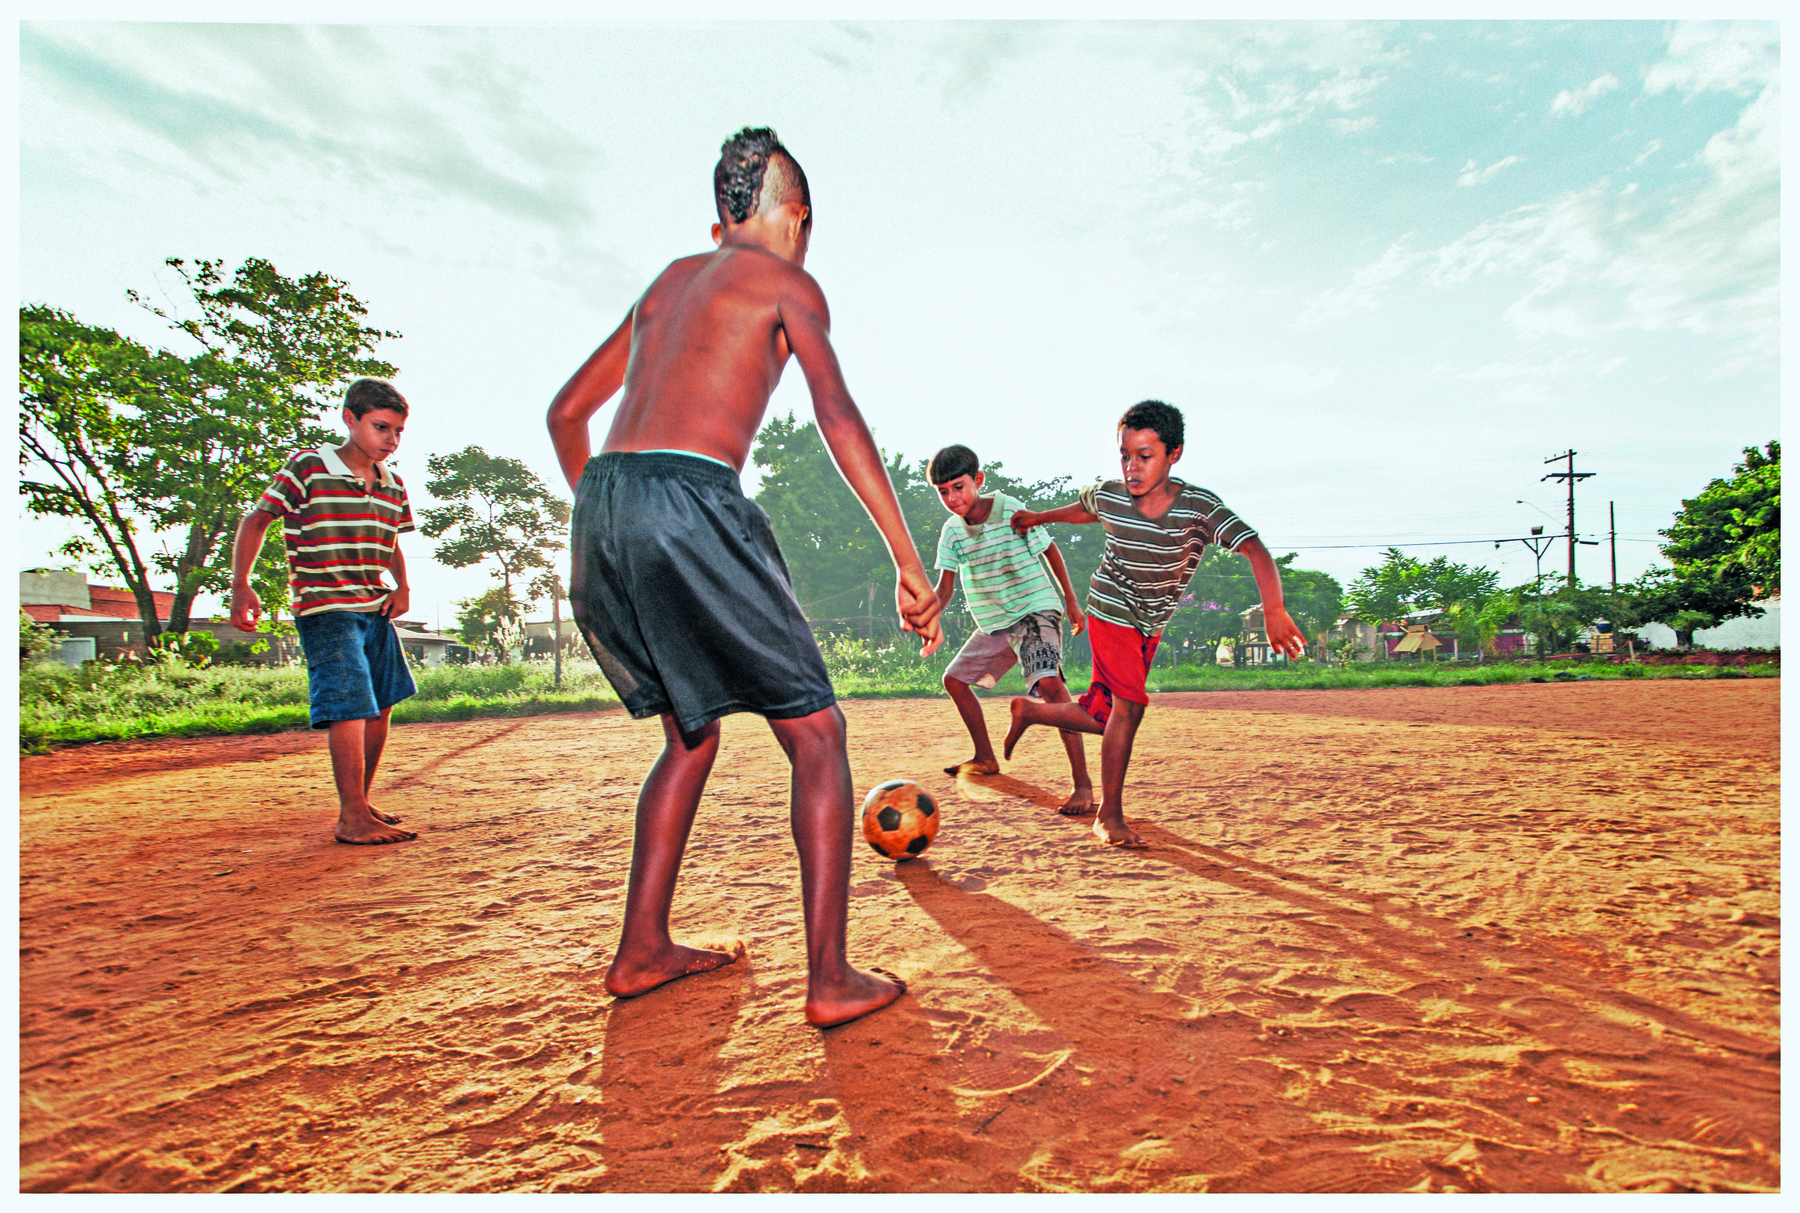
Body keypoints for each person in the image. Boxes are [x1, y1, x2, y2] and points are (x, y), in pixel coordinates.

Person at [545, 127, 944, 1029]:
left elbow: (566, 412)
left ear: (722, 214)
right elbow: (837, 414)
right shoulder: (788, 282)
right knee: (817, 730)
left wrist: (617, 516)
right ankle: (831, 977)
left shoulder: (668, 283)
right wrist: (907, 559)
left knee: (691, 735)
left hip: (605, 499)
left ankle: (641, 947)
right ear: (794, 218)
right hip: (689, 495)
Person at [1003, 400, 1305, 847]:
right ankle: (1109, 815)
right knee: (1129, 707)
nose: (1132, 467)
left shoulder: (1199, 508)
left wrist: (1274, 610)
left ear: (1174, 454)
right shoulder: (1111, 493)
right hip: (1109, 605)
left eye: (1145, 456)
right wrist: (1038, 517)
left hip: (1151, 621)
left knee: (1106, 716)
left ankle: (1030, 711)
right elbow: (1087, 508)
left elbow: (1254, 548)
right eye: (1125, 455)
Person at [230, 378, 419, 846]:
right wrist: (240, 585)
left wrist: (403, 585)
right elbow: (257, 519)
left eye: (398, 431)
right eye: (381, 427)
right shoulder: (310, 466)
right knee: (351, 705)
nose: (391, 439)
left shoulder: (393, 484)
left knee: (382, 705)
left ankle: (360, 801)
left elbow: (391, 540)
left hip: (373, 606)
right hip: (325, 605)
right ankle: (351, 817)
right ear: (349, 419)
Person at [927, 444, 1094, 813]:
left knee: (1050, 685)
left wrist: (1070, 599)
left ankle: (1082, 785)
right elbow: (945, 587)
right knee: (954, 680)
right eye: (943, 492)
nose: (952, 498)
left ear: (979, 480)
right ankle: (985, 757)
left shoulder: (1010, 511)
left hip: (1036, 609)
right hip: (996, 623)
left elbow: (1049, 550)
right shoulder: (952, 533)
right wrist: (928, 616)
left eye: (959, 487)